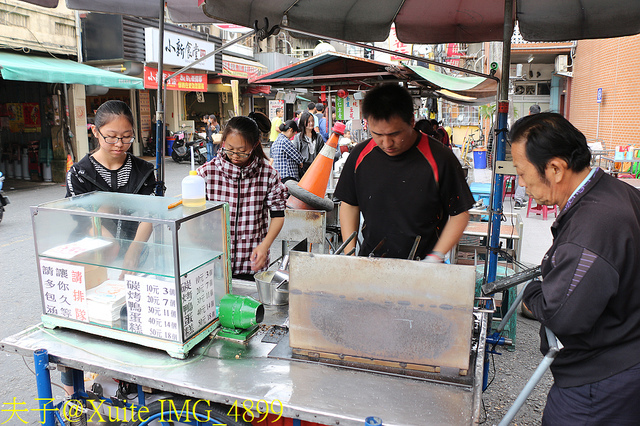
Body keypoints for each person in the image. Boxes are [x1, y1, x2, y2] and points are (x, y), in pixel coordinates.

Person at [511, 112, 640, 424]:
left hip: (602, 377)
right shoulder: (617, 192)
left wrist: (532, 292)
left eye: (521, 171)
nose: (521, 182)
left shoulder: (592, 228)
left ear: (555, 168)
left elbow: (561, 315)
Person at [64, 99, 156, 394]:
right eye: (111, 136)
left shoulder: (143, 170)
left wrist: (131, 254)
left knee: (128, 319)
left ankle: (128, 383)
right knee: (86, 325)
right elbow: (85, 214)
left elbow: (149, 215)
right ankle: (74, 390)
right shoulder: (79, 172)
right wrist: (109, 243)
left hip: (135, 253)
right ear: (95, 132)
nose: (119, 143)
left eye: (126, 136)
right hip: (90, 257)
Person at [334, 84, 474, 260]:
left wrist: (435, 257)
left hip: (422, 264)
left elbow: (460, 213)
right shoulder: (359, 155)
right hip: (371, 262)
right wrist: (350, 253)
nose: (386, 143)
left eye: (394, 134)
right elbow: (349, 204)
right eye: (377, 134)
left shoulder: (440, 157)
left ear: (412, 121)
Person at [197, 112, 287, 280]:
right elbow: (193, 219)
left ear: (255, 146)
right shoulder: (206, 173)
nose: (235, 156)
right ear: (223, 143)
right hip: (215, 264)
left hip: (252, 264)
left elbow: (278, 215)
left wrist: (265, 245)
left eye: (242, 151)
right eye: (229, 149)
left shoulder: (267, 175)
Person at [514, 104, 541, 208]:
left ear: (529, 112)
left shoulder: (521, 122)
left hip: (520, 154)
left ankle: (518, 198)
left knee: (519, 175)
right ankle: (519, 200)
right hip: (532, 155)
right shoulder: (541, 125)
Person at [292, 111, 325, 176]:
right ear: (303, 122)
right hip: (303, 168)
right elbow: (295, 152)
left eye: (312, 121)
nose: (311, 123)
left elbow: (322, 152)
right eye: (308, 121)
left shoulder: (318, 137)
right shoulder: (298, 137)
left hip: (316, 166)